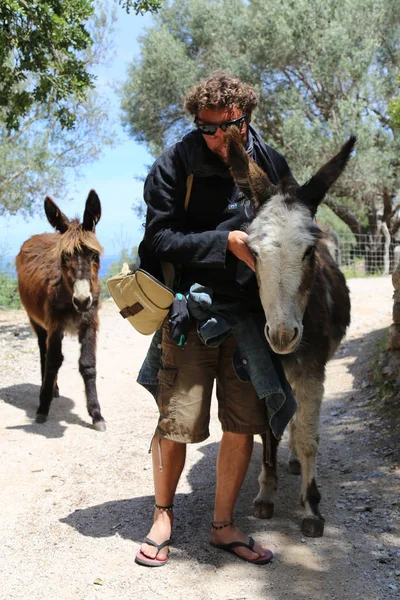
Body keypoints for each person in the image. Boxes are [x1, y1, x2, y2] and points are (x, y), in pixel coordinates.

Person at [135, 72, 294, 567]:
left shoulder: (271, 165)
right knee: (176, 420)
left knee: (242, 424)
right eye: (207, 128)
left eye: (230, 127)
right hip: (190, 306)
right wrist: (223, 243)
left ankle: (223, 526)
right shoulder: (174, 165)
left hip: (249, 314)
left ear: (246, 119)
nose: (219, 138)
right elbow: (155, 242)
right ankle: (163, 515)